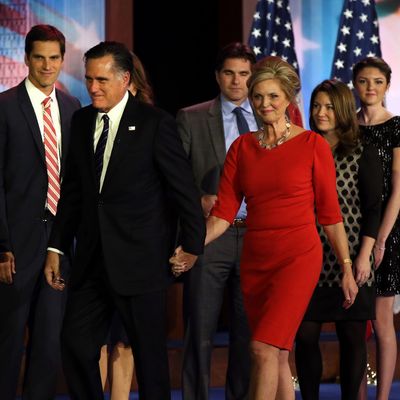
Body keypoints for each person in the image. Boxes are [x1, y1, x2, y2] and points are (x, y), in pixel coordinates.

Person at [172, 57, 359, 399]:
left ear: (288, 99)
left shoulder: (311, 145)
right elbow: (223, 215)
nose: (264, 104)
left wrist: (346, 267)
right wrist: (192, 247)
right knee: (277, 353)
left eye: (272, 97)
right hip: (256, 261)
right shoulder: (242, 148)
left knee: (260, 349)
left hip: (297, 259)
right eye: (257, 97)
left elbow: (330, 215)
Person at [44, 41, 205, 399]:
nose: (93, 88)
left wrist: (193, 245)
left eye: (101, 80)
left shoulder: (154, 123)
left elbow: (183, 191)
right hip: (91, 264)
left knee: (150, 364)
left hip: (140, 264)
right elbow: (72, 193)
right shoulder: (82, 120)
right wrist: (56, 245)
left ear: (125, 79)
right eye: (88, 79)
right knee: (75, 345)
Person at [0, 24, 80, 399]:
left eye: (54, 58)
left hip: (58, 244)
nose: (47, 66)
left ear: (62, 60)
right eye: (39, 58)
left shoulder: (71, 107)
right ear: (26, 59)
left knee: (48, 344)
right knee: (7, 343)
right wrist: (2, 245)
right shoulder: (3, 107)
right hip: (14, 245)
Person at [176, 42, 257, 400]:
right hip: (210, 236)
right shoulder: (191, 117)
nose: (236, 81)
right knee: (200, 331)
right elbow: (173, 179)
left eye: (243, 74)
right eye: (229, 73)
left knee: (247, 333)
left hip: (257, 237)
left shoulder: (269, 116)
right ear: (217, 76)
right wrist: (198, 199)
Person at [294, 79, 383, 400]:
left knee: (352, 338)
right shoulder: (301, 147)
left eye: (329, 106)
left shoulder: (363, 150)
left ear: (343, 109)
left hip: (351, 258)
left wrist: (364, 256)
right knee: (304, 336)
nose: (320, 112)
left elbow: (374, 208)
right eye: (316, 106)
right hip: (308, 257)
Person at [99, 51, 155, 399]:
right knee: (99, 337)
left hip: (136, 251)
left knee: (124, 339)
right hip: (98, 247)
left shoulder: (152, 122)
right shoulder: (89, 121)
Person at [352, 57, 400, 400]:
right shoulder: (347, 126)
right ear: (354, 84)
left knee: (382, 320)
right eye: (364, 81)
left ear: (387, 85)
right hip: (354, 228)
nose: (370, 87)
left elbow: (399, 190)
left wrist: (381, 240)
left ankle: (382, 396)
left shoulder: (396, 126)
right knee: (355, 322)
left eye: (377, 81)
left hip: (388, 230)